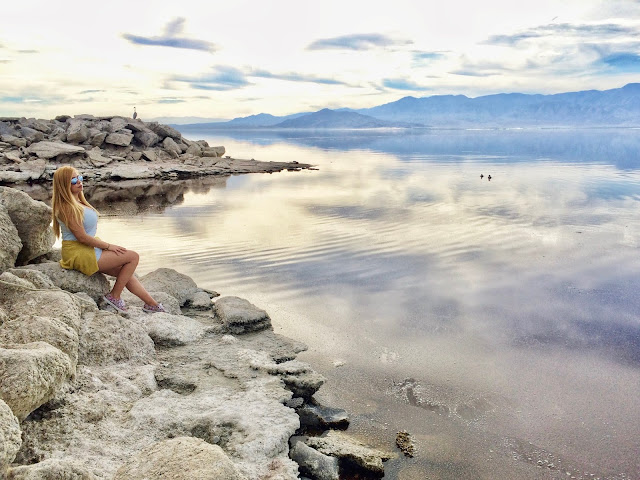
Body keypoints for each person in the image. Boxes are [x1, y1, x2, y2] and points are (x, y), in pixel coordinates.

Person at [51, 165, 165, 314]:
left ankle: (152, 305)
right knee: (132, 257)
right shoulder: (66, 207)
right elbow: (81, 237)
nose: (79, 181)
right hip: (78, 252)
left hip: (86, 249)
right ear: (63, 184)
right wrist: (108, 246)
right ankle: (114, 296)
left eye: (80, 177)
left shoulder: (78, 203)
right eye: (74, 180)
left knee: (124, 273)